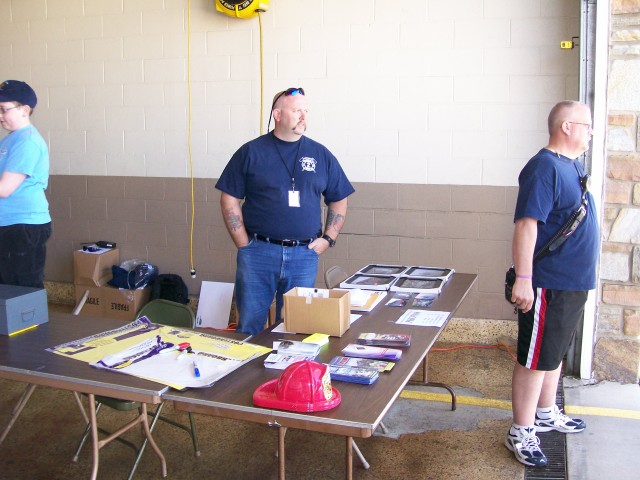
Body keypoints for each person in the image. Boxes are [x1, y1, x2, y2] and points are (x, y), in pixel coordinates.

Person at [505, 100, 599, 467]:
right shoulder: (544, 167)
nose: (591, 132)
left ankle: (545, 413)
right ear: (566, 127)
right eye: (586, 125)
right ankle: (521, 430)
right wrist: (524, 279)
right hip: (548, 284)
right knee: (534, 359)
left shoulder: (570, 167)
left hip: (572, 282)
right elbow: (526, 226)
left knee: (554, 354)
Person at [216, 87, 355, 336]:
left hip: (304, 255)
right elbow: (230, 199)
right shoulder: (251, 152)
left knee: (295, 328)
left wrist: (328, 239)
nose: (304, 116)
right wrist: (243, 243)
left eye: (306, 111)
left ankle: (287, 375)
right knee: (249, 326)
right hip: (258, 253)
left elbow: (339, 199)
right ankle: (247, 375)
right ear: (278, 115)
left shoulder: (321, 155)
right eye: (296, 111)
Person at [0, 80, 51, 288]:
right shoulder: (11, 139)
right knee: (7, 288)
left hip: (22, 226)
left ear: (25, 109)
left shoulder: (27, 141)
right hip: (9, 223)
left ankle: (33, 323)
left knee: (22, 290)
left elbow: (4, 189)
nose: (0, 116)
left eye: (4, 110)